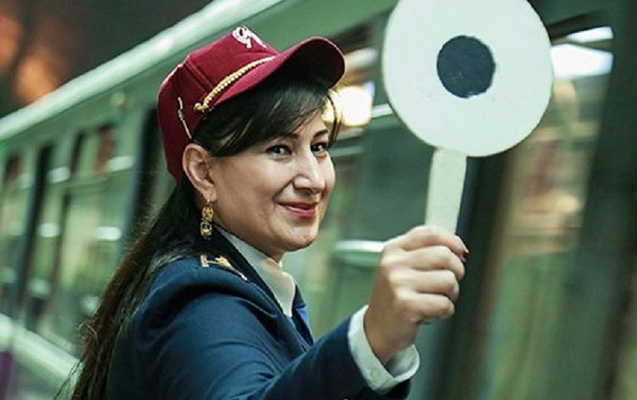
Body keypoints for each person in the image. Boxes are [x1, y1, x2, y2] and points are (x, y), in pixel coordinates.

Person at [69, 26, 468, 400]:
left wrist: (384, 347)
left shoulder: (231, 277)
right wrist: (370, 338)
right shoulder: (200, 299)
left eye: (319, 147)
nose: (314, 179)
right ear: (203, 172)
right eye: (279, 149)